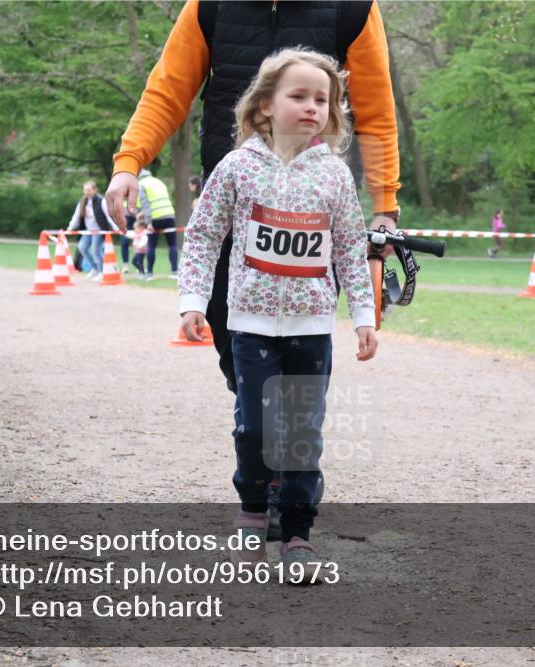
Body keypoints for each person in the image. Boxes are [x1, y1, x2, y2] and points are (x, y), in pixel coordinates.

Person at [105, 0, 401, 395]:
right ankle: (262, 440)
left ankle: (288, 442)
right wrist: (129, 162)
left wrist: (385, 208)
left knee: (297, 376)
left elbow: (376, 110)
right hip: (233, 207)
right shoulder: (208, 6)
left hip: (311, 219)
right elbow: (167, 90)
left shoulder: (354, 9)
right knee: (242, 364)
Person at [178, 49, 377, 575]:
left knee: (302, 434)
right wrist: (193, 302)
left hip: (312, 328)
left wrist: (363, 316)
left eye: (323, 99)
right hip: (250, 323)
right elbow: (203, 236)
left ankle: (296, 536)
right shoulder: (238, 166)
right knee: (257, 430)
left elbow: (350, 251)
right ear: (265, 106)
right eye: (299, 96)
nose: (312, 106)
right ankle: (251, 513)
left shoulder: (334, 175)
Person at [66, 180, 120, 281]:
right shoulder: (82, 201)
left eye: (89, 190)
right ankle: (94, 268)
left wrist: (116, 227)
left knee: (96, 250)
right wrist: (70, 228)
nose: (87, 192)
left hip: (99, 230)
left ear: (95, 190)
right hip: (88, 230)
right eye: (85, 190)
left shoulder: (101, 201)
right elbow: (76, 216)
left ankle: (101, 271)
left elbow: (109, 216)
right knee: (82, 247)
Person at [136, 166, 178, 280]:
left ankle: (149, 273)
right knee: (173, 244)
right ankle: (175, 272)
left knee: (151, 245)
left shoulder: (141, 184)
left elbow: (144, 205)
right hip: (169, 214)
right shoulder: (158, 181)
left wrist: (148, 222)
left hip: (155, 217)